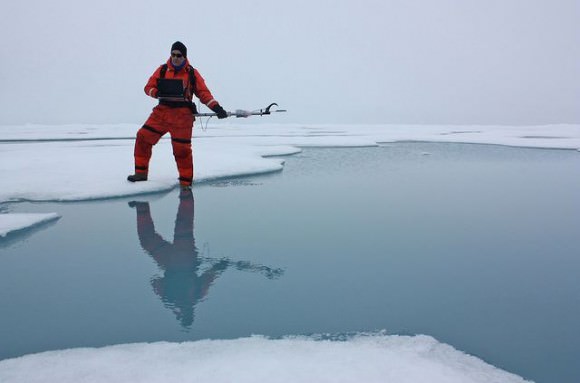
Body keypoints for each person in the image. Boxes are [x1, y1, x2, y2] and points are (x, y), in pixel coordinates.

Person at [127, 41, 228, 189]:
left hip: (183, 116)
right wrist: (156, 92)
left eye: (178, 55)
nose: (175, 58)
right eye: (173, 55)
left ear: (184, 57)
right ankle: (141, 174)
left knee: (182, 150)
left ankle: (186, 183)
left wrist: (216, 107)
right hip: (161, 113)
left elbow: (203, 93)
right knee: (143, 137)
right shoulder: (162, 70)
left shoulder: (192, 73)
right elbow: (147, 87)